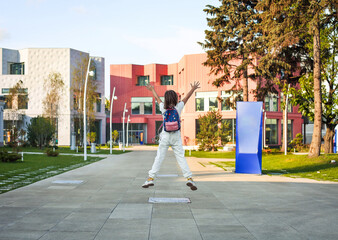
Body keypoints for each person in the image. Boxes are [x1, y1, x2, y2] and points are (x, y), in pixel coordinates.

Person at [142, 81, 200, 191]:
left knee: (159, 157)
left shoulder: (163, 108)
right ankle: (189, 178)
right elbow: (186, 98)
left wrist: (152, 90)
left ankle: (150, 178)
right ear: (175, 98)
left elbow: (157, 99)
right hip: (176, 137)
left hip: (165, 136)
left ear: (166, 99)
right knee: (181, 157)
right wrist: (193, 89)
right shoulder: (178, 107)